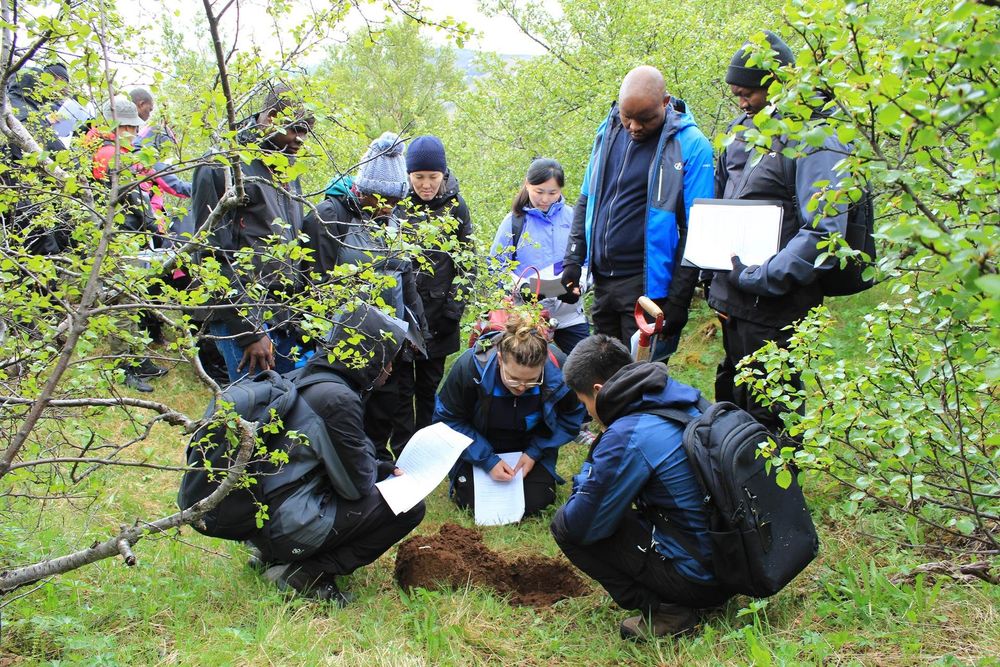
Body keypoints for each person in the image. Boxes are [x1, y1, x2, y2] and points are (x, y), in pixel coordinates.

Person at [709, 31, 849, 436]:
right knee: (732, 394)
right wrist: (714, 276)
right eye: (736, 92)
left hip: (776, 302)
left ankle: (777, 493)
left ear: (778, 84)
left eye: (747, 92)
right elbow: (723, 203)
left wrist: (758, 276)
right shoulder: (741, 132)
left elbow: (823, 232)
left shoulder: (816, 139)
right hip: (734, 298)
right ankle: (734, 488)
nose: (741, 101)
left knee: (773, 409)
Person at [550, 334, 730, 640]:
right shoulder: (681, 396)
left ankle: (669, 609)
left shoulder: (628, 435)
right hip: (733, 557)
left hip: (701, 579)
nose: (588, 413)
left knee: (566, 525)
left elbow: (583, 525)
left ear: (597, 390)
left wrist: (592, 466)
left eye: (584, 403)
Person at [251, 303, 426, 604]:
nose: (390, 368)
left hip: (264, 518)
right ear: (369, 355)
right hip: (289, 521)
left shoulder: (311, 376)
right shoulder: (338, 399)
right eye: (387, 359)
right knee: (410, 506)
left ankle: (270, 554)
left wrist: (377, 466)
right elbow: (355, 486)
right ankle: (308, 574)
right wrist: (374, 467)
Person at [561, 66, 714, 348]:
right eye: (627, 116)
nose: (634, 126)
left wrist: (679, 300)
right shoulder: (607, 131)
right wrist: (573, 259)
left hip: (648, 289)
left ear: (666, 103)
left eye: (645, 119)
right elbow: (587, 197)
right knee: (603, 378)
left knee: (641, 381)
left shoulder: (692, 145)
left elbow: (697, 229)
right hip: (603, 283)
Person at [301, 132, 429, 463]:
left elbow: (405, 277)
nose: (385, 206)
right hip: (343, 343)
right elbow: (311, 281)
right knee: (345, 416)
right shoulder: (330, 216)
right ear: (362, 188)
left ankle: (378, 475)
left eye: (393, 200)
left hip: (389, 341)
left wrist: (416, 332)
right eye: (378, 197)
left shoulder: (395, 221)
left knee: (382, 416)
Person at [188, 82, 314, 383]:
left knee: (284, 410)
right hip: (240, 317)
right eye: (296, 128)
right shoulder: (224, 164)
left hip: (280, 312)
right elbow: (211, 256)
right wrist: (250, 332)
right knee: (254, 406)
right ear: (270, 117)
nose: (301, 139)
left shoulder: (285, 166)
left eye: (307, 131)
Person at [434, 312, 585, 519]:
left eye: (532, 380)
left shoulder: (559, 368)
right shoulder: (470, 367)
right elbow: (448, 420)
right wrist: (487, 459)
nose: (522, 388)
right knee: (471, 502)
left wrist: (535, 452)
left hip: (529, 447)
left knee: (537, 503)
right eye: (513, 379)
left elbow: (571, 417)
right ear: (499, 358)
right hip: (479, 444)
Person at [383, 135, 474, 457]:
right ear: (408, 175)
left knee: (429, 387)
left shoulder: (455, 205)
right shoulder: (396, 205)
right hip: (404, 316)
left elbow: (468, 264)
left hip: (441, 317)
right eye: (419, 177)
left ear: (443, 174)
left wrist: (453, 311)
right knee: (401, 387)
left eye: (432, 177)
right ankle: (405, 451)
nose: (426, 184)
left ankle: (428, 450)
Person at [87, 96, 167, 392]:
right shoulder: (110, 154)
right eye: (132, 127)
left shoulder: (106, 149)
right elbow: (129, 197)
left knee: (132, 298)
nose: (135, 133)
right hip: (119, 237)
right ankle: (125, 364)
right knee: (123, 304)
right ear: (119, 126)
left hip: (124, 235)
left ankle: (138, 357)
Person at [491, 158, 590, 355]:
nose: (545, 199)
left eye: (552, 193)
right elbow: (496, 266)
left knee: (586, 368)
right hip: (526, 317)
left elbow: (588, 261)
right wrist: (522, 287)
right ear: (527, 185)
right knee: (530, 371)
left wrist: (581, 284)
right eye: (539, 192)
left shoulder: (573, 218)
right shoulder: (514, 222)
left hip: (570, 316)